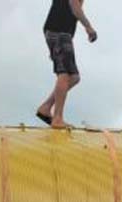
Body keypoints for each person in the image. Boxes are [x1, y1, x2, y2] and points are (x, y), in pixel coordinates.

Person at [36, 0, 97, 129]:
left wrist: (54, 49)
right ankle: (57, 118)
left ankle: (46, 107)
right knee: (64, 74)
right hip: (58, 31)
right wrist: (88, 27)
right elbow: (75, 7)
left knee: (74, 77)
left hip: (60, 33)